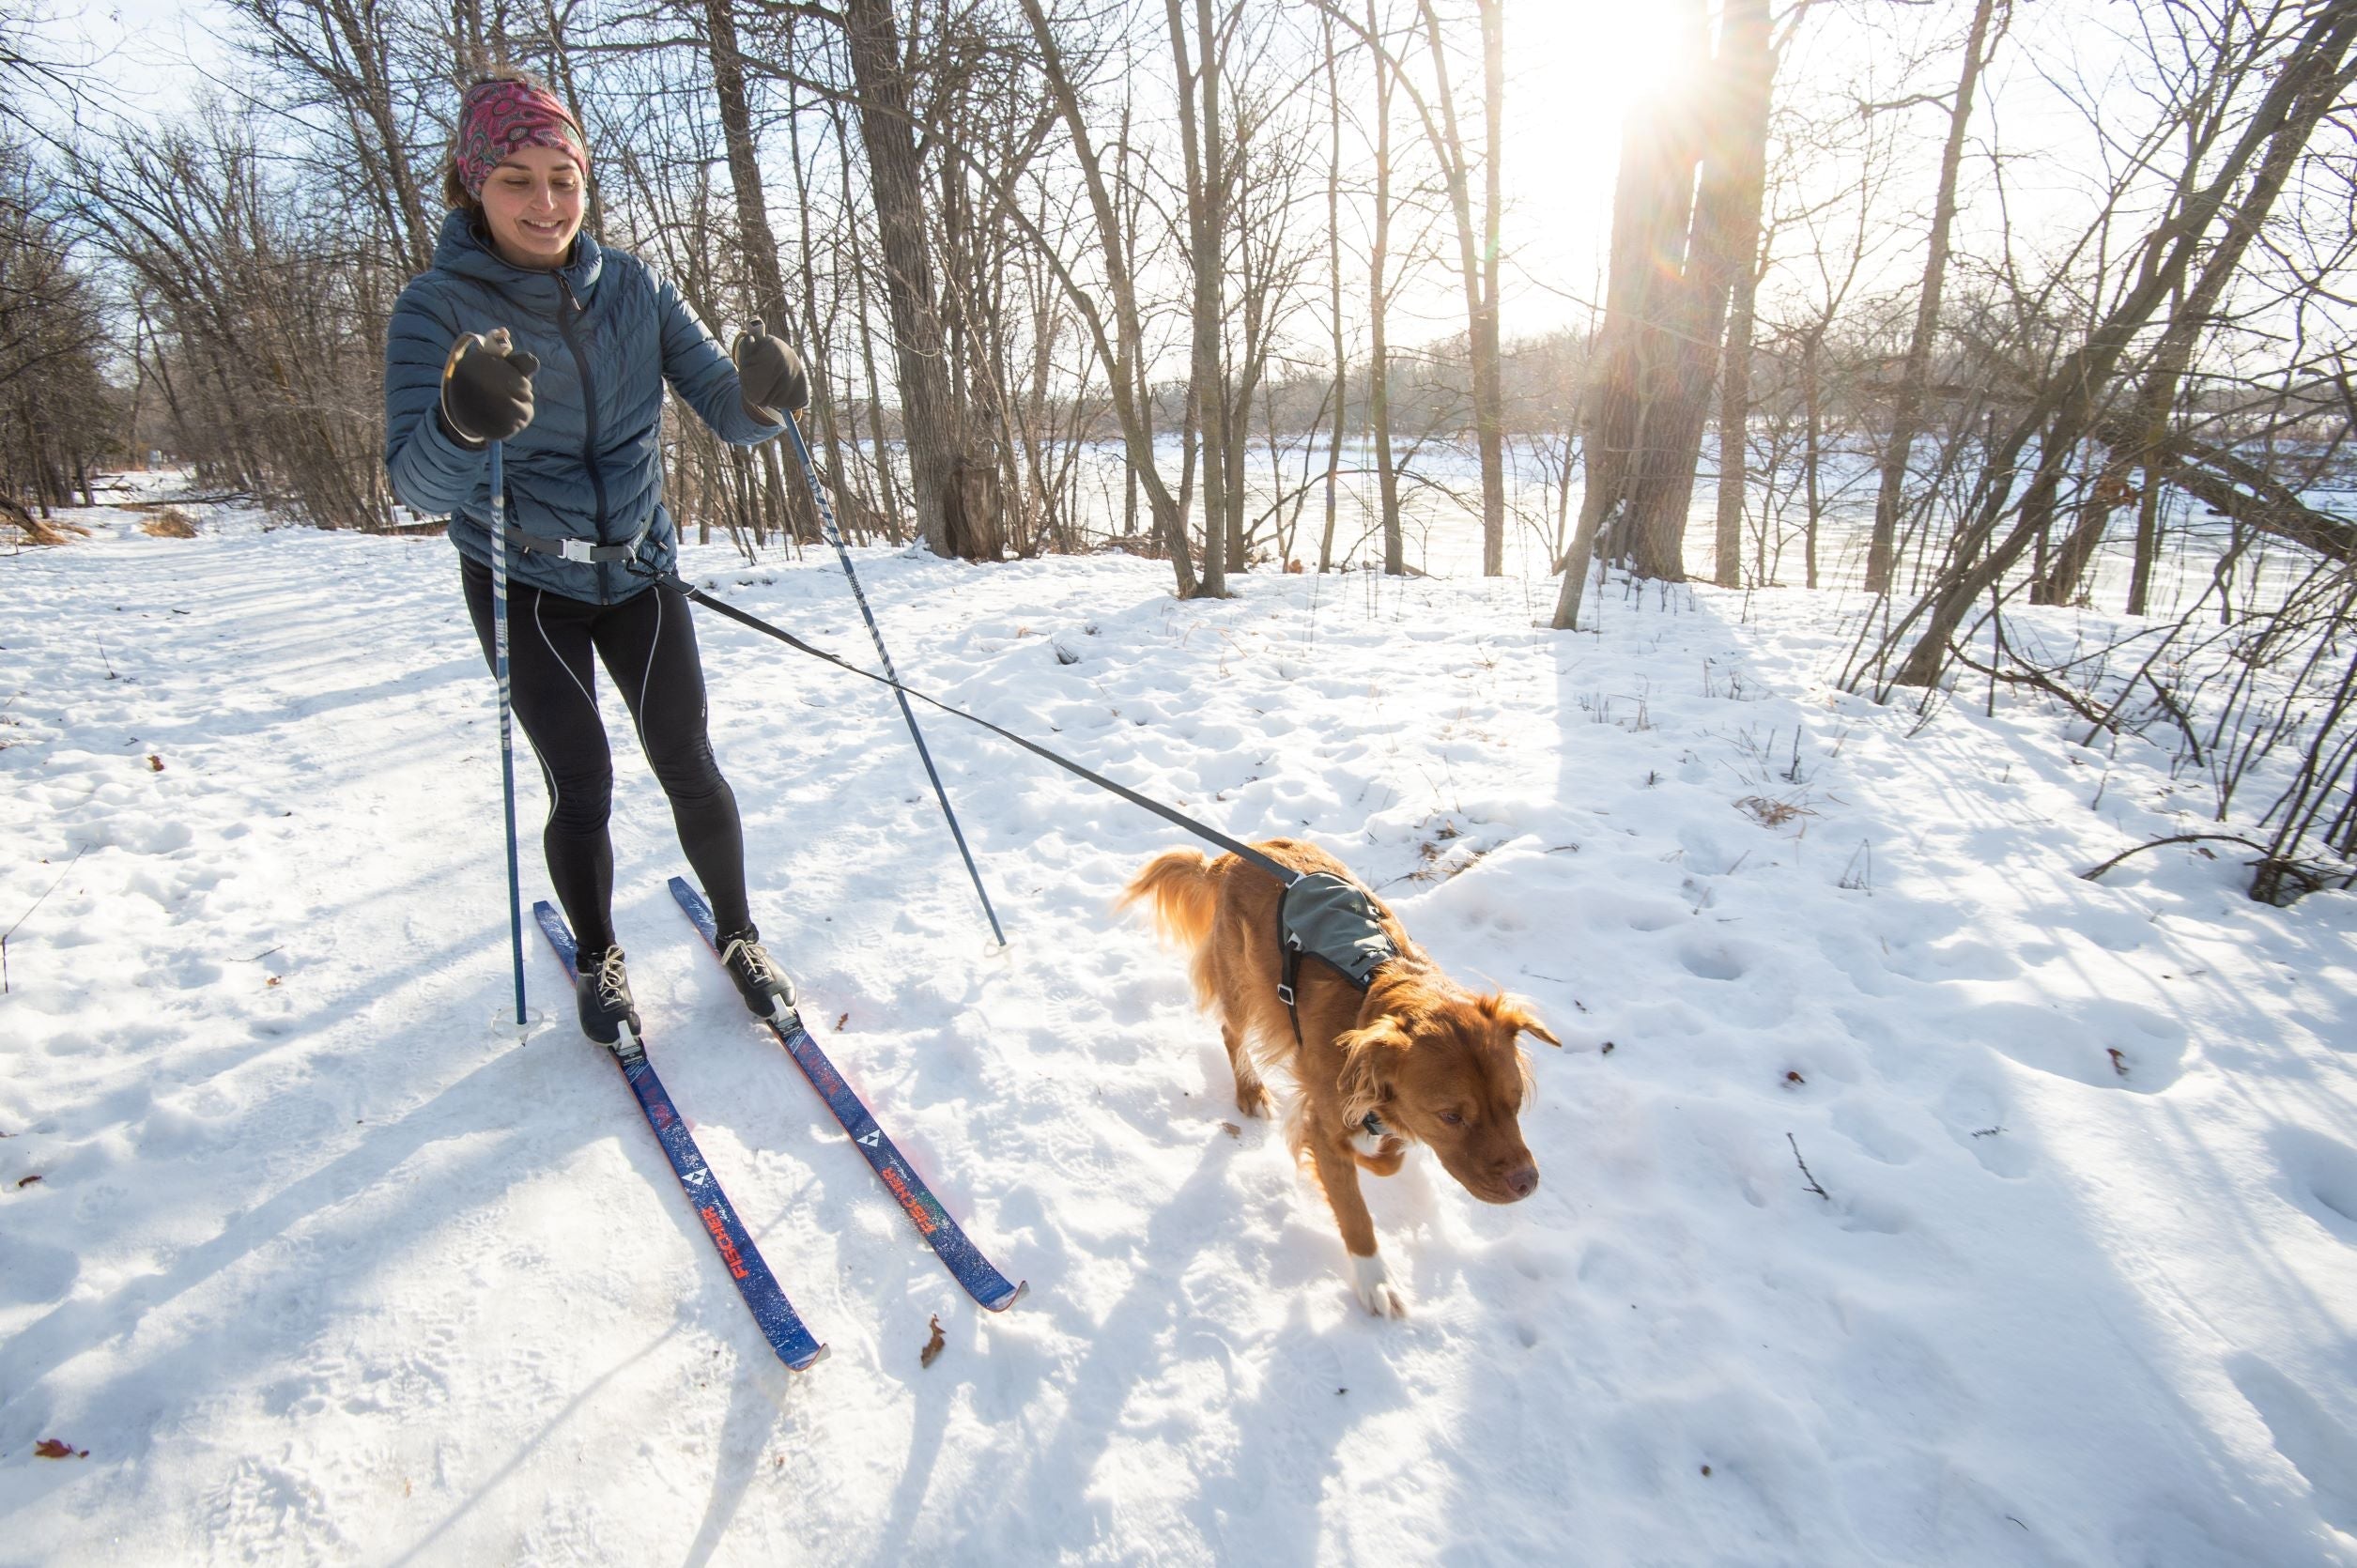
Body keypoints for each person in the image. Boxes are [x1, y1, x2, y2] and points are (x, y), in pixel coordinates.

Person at [383, 73, 809, 1046]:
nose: (545, 204)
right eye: (516, 180)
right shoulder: (435, 306)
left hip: (640, 572)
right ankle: (598, 954)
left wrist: (771, 391)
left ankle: (740, 933)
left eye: (563, 178)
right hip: (525, 582)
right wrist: (459, 417)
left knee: (689, 761)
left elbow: (729, 411)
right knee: (583, 784)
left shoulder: (636, 287)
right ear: (472, 186)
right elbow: (417, 483)